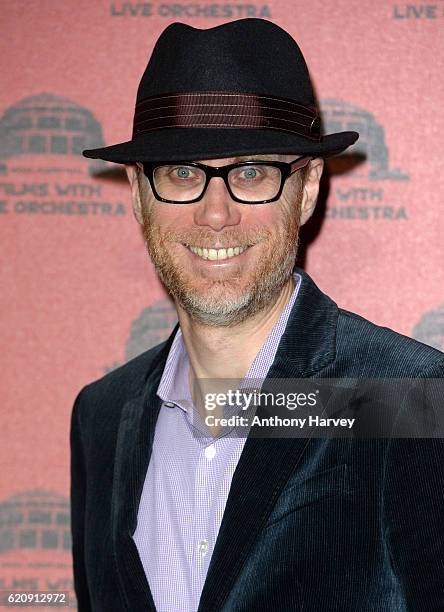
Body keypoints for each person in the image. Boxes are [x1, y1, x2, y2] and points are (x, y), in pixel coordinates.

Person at [71, 18, 444, 612]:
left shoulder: (413, 401)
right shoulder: (101, 416)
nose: (215, 214)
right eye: (183, 174)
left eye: (250, 173)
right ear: (139, 194)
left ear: (309, 187)